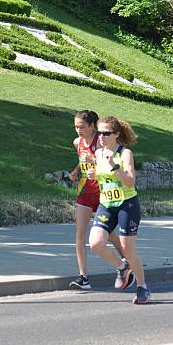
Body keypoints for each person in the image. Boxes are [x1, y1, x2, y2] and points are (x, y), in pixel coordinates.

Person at [87, 116, 150, 304]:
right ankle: (122, 267)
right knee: (95, 243)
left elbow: (130, 181)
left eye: (106, 133)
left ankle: (142, 287)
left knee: (127, 248)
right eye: (99, 133)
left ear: (116, 135)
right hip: (106, 204)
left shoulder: (124, 153)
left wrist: (114, 166)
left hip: (127, 204)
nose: (102, 137)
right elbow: (103, 179)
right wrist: (93, 175)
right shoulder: (98, 154)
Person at [68, 110, 128, 290]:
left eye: (82, 127)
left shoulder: (100, 141)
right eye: (76, 127)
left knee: (108, 234)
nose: (78, 130)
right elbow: (82, 159)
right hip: (86, 191)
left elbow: (109, 161)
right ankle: (83, 278)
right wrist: (76, 171)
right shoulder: (77, 142)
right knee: (79, 235)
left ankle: (128, 262)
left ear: (92, 126)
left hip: (102, 192)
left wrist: (92, 160)